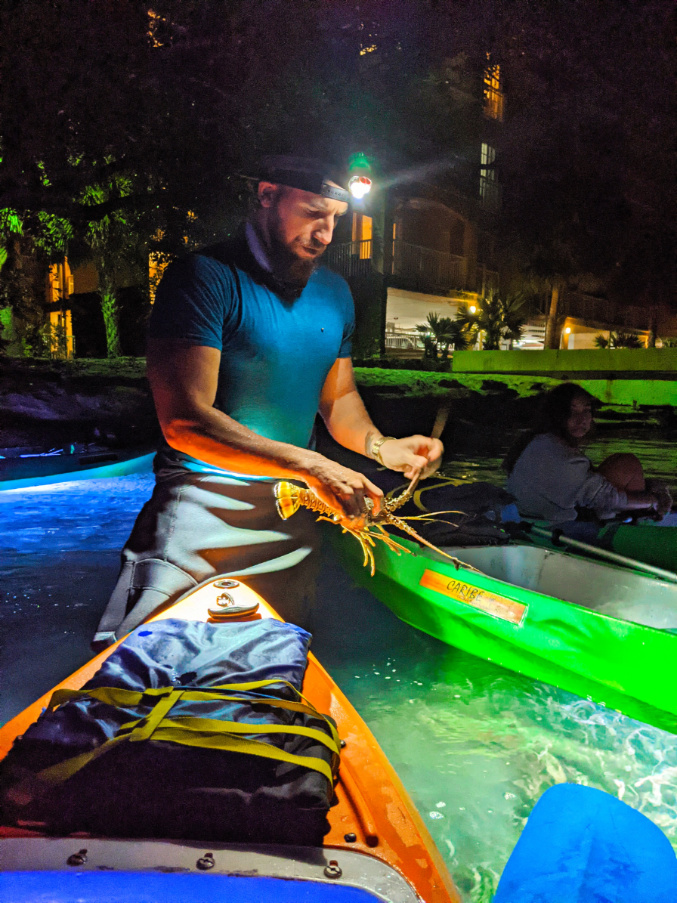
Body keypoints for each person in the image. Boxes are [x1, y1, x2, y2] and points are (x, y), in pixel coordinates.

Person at [93, 156, 443, 649]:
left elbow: (337, 398)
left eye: (337, 219)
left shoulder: (335, 293)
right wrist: (312, 465)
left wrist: (385, 448)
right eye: (313, 212)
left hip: (293, 521)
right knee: (147, 675)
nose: (325, 233)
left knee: (274, 678)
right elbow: (186, 421)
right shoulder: (202, 278)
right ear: (267, 194)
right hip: (199, 517)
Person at [504, 383, 671, 530]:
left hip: (529, 519)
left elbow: (585, 484)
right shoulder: (566, 458)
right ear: (557, 414)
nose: (581, 419)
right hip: (556, 527)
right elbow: (608, 500)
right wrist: (653, 500)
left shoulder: (534, 441)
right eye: (572, 411)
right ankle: (636, 529)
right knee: (628, 464)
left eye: (586, 410)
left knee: (620, 464)